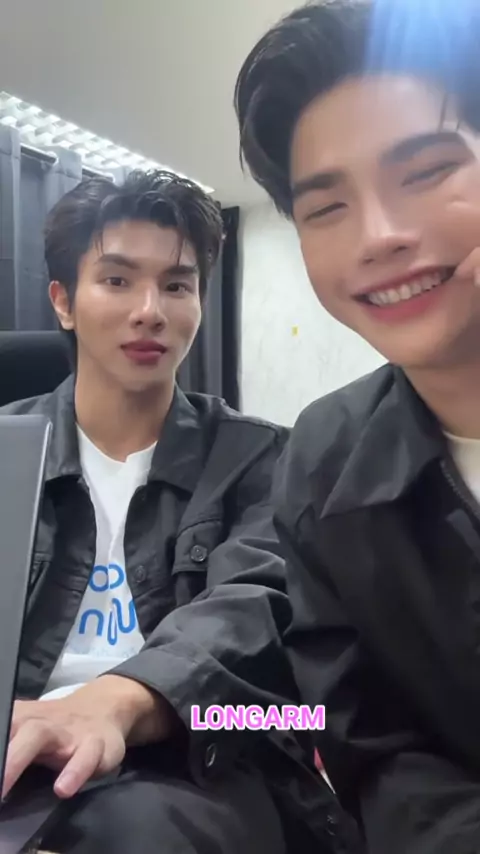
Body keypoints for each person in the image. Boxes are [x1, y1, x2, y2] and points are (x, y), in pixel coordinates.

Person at [0, 169, 349, 854]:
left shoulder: (264, 458)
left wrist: (115, 702)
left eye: (177, 285)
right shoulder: (9, 452)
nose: (150, 311)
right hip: (20, 744)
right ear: (63, 301)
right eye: (117, 280)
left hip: (206, 749)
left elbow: (256, 606)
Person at [234, 1, 480, 852]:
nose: (380, 236)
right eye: (326, 208)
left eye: (427, 171)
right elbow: (371, 745)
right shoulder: (323, 459)